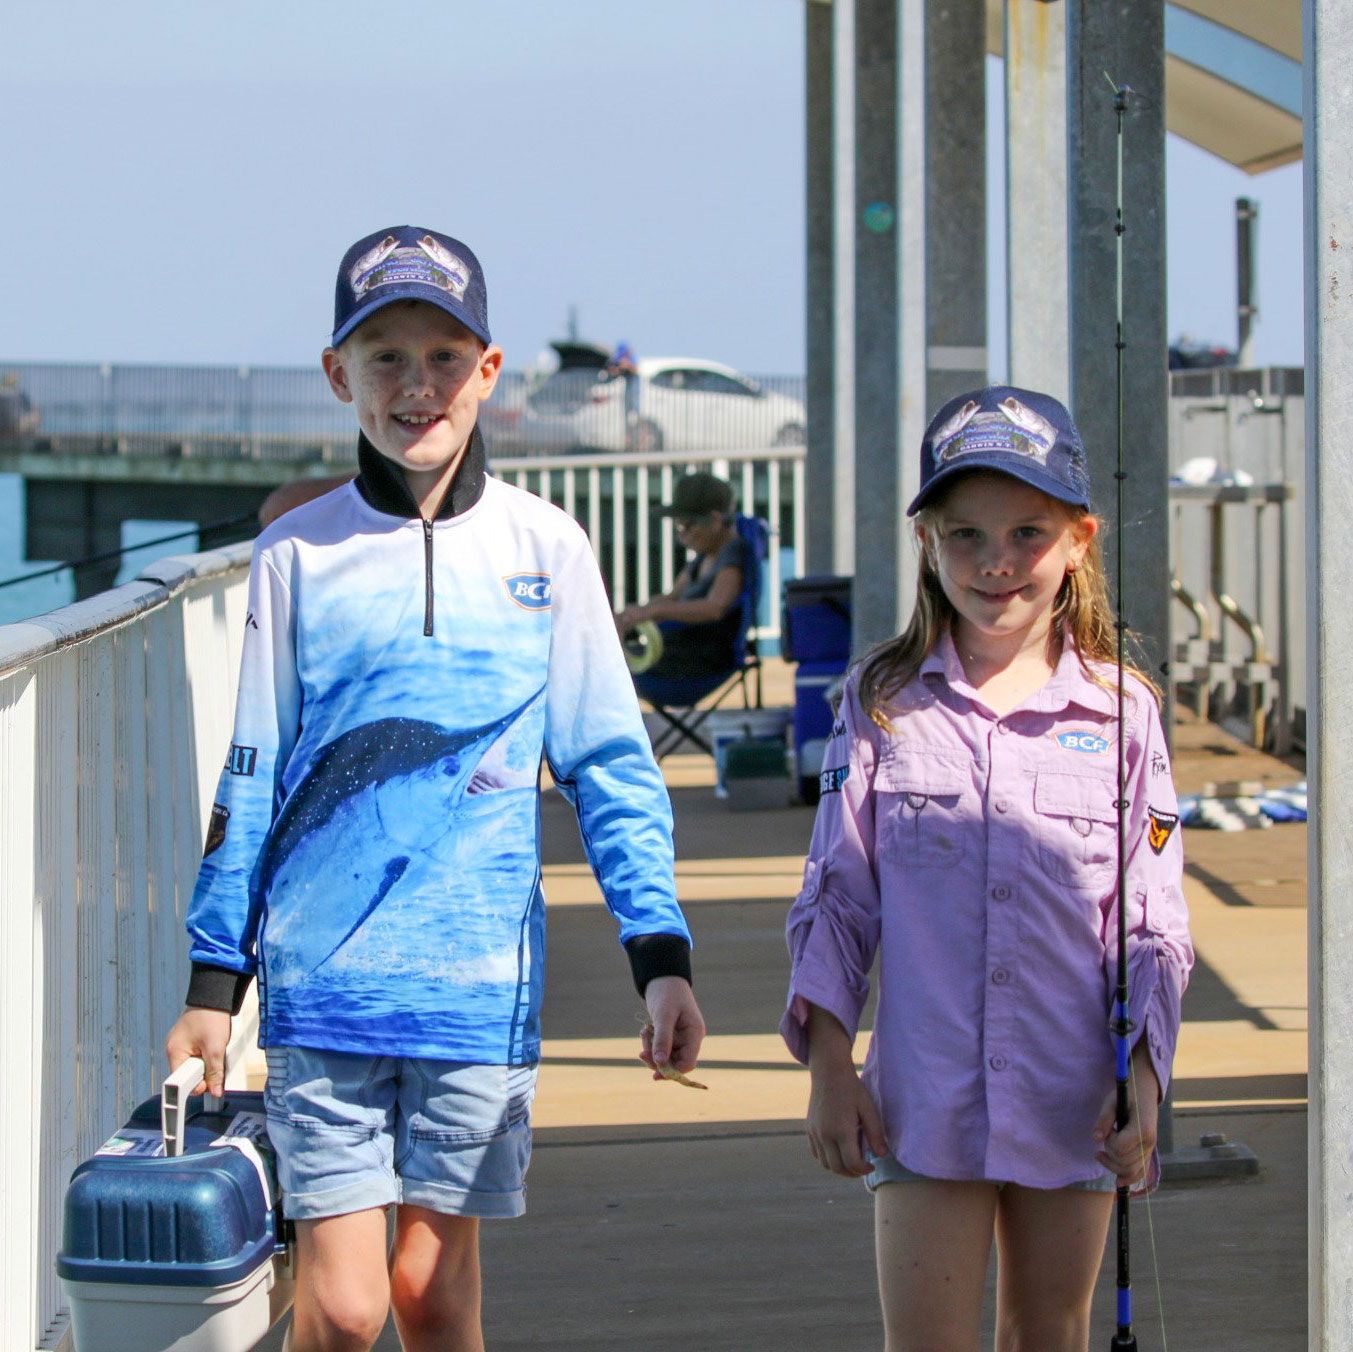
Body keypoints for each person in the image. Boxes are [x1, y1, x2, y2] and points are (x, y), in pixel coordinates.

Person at [164, 225, 705, 1352]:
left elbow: (608, 762)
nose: (417, 387)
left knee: (430, 1290)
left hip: (479, 995)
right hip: (323, 987)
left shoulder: (548, 548)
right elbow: (252, 768)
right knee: (349, 1306)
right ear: (338, 375)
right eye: (386, 358)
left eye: (443, 357)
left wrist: (659, 957)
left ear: (489, 371)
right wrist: (218, 980)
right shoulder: (296, 554)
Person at [781, 386, 1193, 1351]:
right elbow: (838, 895)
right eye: (963, 534)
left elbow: (1153, 919)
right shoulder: (878, 701)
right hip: (923, 1100)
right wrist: (830, 1065)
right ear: (925, 540)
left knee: (1049, 1330)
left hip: (1076, 1098)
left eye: (1026, 533)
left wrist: (1143, 1072)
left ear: (1079, 540)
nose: (996, 562)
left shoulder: (1127, 712)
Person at [615, 471, 747, 683]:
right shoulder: (703, 558)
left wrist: (656, 611)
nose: (681, 535)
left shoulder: (733, 555)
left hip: (698, 662)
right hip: (676, 652)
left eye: (686, 525)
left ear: (714, 520)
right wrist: (631, 615)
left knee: (607, 670)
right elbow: (674, 596)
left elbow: (715, 607)